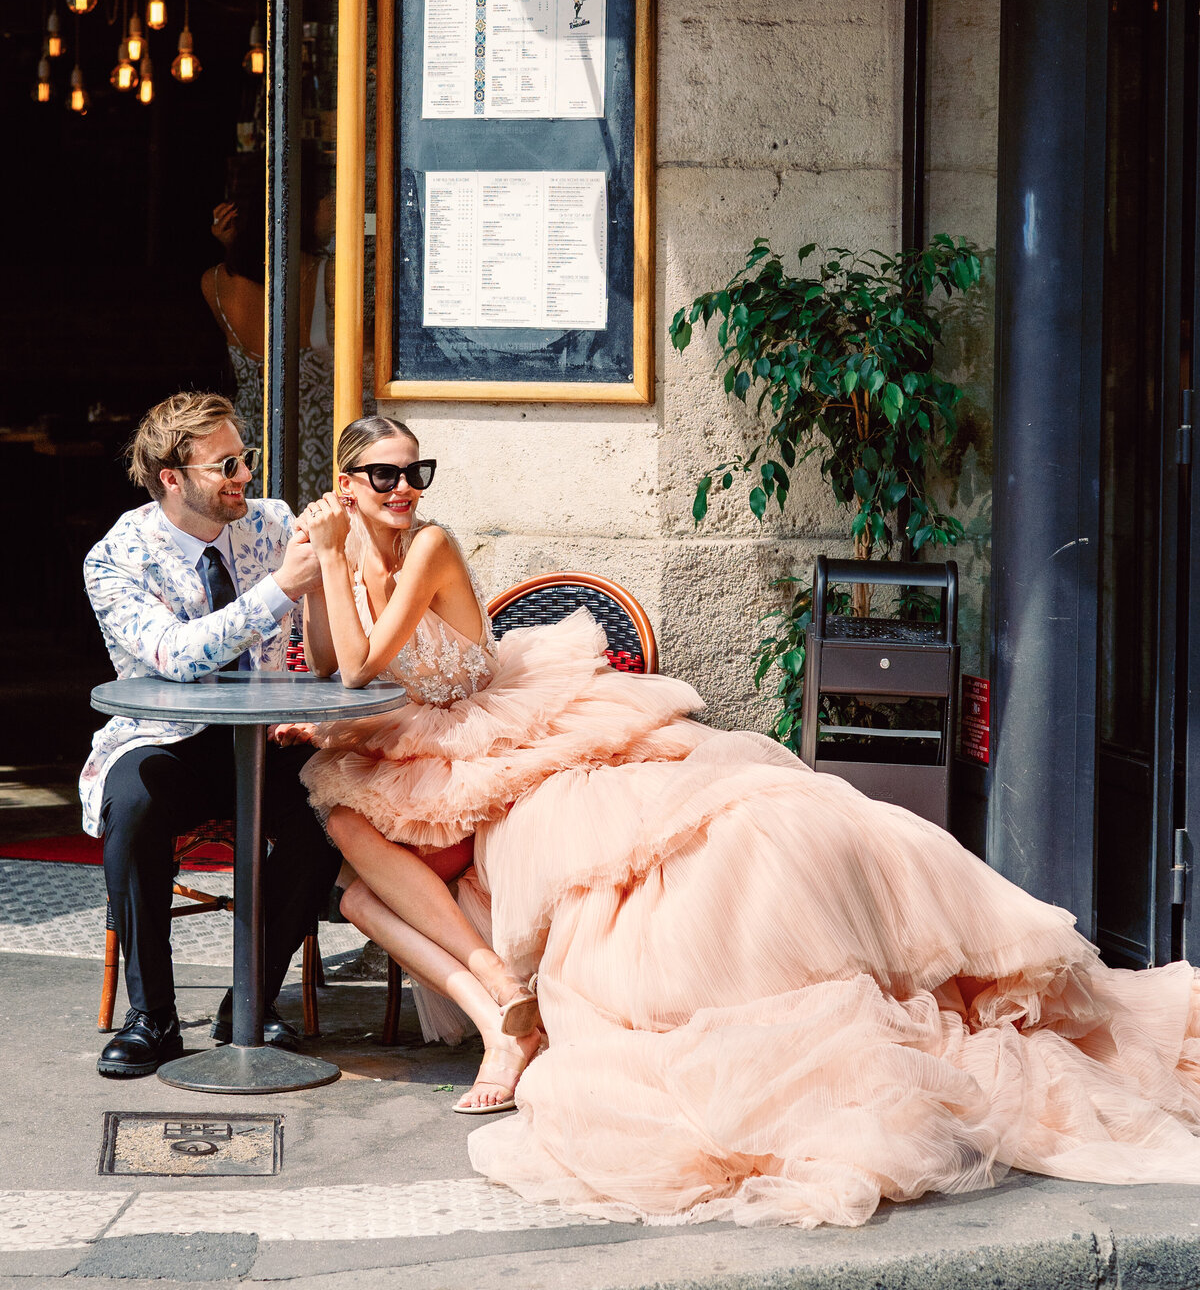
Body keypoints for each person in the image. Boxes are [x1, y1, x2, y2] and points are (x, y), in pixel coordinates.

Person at [291, 416, 1200, 1227]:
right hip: (424, 736)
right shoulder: (360, 549)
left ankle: (510, 1008)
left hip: (497, 724)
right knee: (345, 828)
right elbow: (335, 660)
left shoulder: (430, 547)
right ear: (348, 486)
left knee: (680, 828)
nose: (407, 490)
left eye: (418, 472)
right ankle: (501, 1004)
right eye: (386, 477)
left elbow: (362, 664)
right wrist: (320, 572)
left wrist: (330, 556)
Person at [81, 392, 341, 1080]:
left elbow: (328, 624)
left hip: (266, 733)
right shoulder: (114, 559)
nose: (245, 476)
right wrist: (281, 588)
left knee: (331, 811)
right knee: (131, 808)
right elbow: (175, 656)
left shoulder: (274, 524)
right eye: (226, 464)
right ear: (172, 478)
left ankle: (249, 1000)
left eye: (246, 458)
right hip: (165, 737)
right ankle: (153, 1017)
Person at [201, 165, 334, 507]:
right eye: (329, 200)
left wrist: (232, 246)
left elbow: (259, 276)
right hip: (314, 441)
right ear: (304, 212)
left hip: (249, 442)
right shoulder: (327, 275)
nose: (335, 208)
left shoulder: (214, 282)